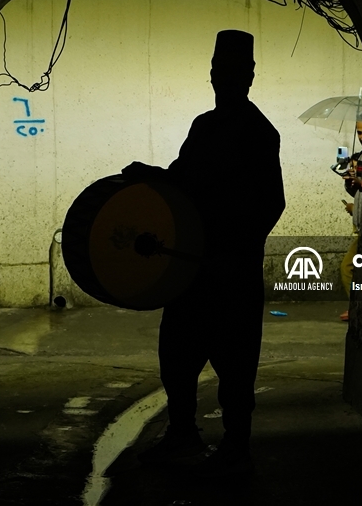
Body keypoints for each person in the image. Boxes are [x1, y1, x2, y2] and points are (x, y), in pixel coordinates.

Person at [122, 29, 285, 476]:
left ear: (249, 76)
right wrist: (149, 176)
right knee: (177, 358)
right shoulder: (203, 127)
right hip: (189, 271)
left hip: (230, 274)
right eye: (218, 71)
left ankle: (236, 445)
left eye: (233, 72)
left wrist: (233, 250)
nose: (223, 80)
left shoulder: (258, 132)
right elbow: (181, 180)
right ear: (210, 74)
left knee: (235, 368)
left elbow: (272, 202)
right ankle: (183, 435)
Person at [338, 112, 362, 321]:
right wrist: (351, 186)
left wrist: (360, 185)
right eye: (359, 132)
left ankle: (359, 309)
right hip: (361, 224)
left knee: (347, 268)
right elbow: (358, 190)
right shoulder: (360, 157)